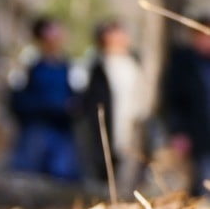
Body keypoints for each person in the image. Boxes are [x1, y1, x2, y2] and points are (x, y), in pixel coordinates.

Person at [81, 20, 148, 196]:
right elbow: (90, 102)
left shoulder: (136, 62)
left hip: (135, 128)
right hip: (109, 130)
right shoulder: (97, 67)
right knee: (108, 174)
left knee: (134, 174)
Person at [9, 17, 80, 181]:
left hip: (62, 131)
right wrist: (47, 107)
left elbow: (75, 94)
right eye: (52, 31)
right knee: (28, 177)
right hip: (35, 130)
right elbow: (17, 99)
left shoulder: (67, 65)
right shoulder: (29, 62)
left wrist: (71, 108)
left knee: (63, 178)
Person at [162, 16, 210, 195]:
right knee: (203, 183)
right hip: (198, 136)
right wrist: (178, 131)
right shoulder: (183, 62)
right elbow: (174, 101)